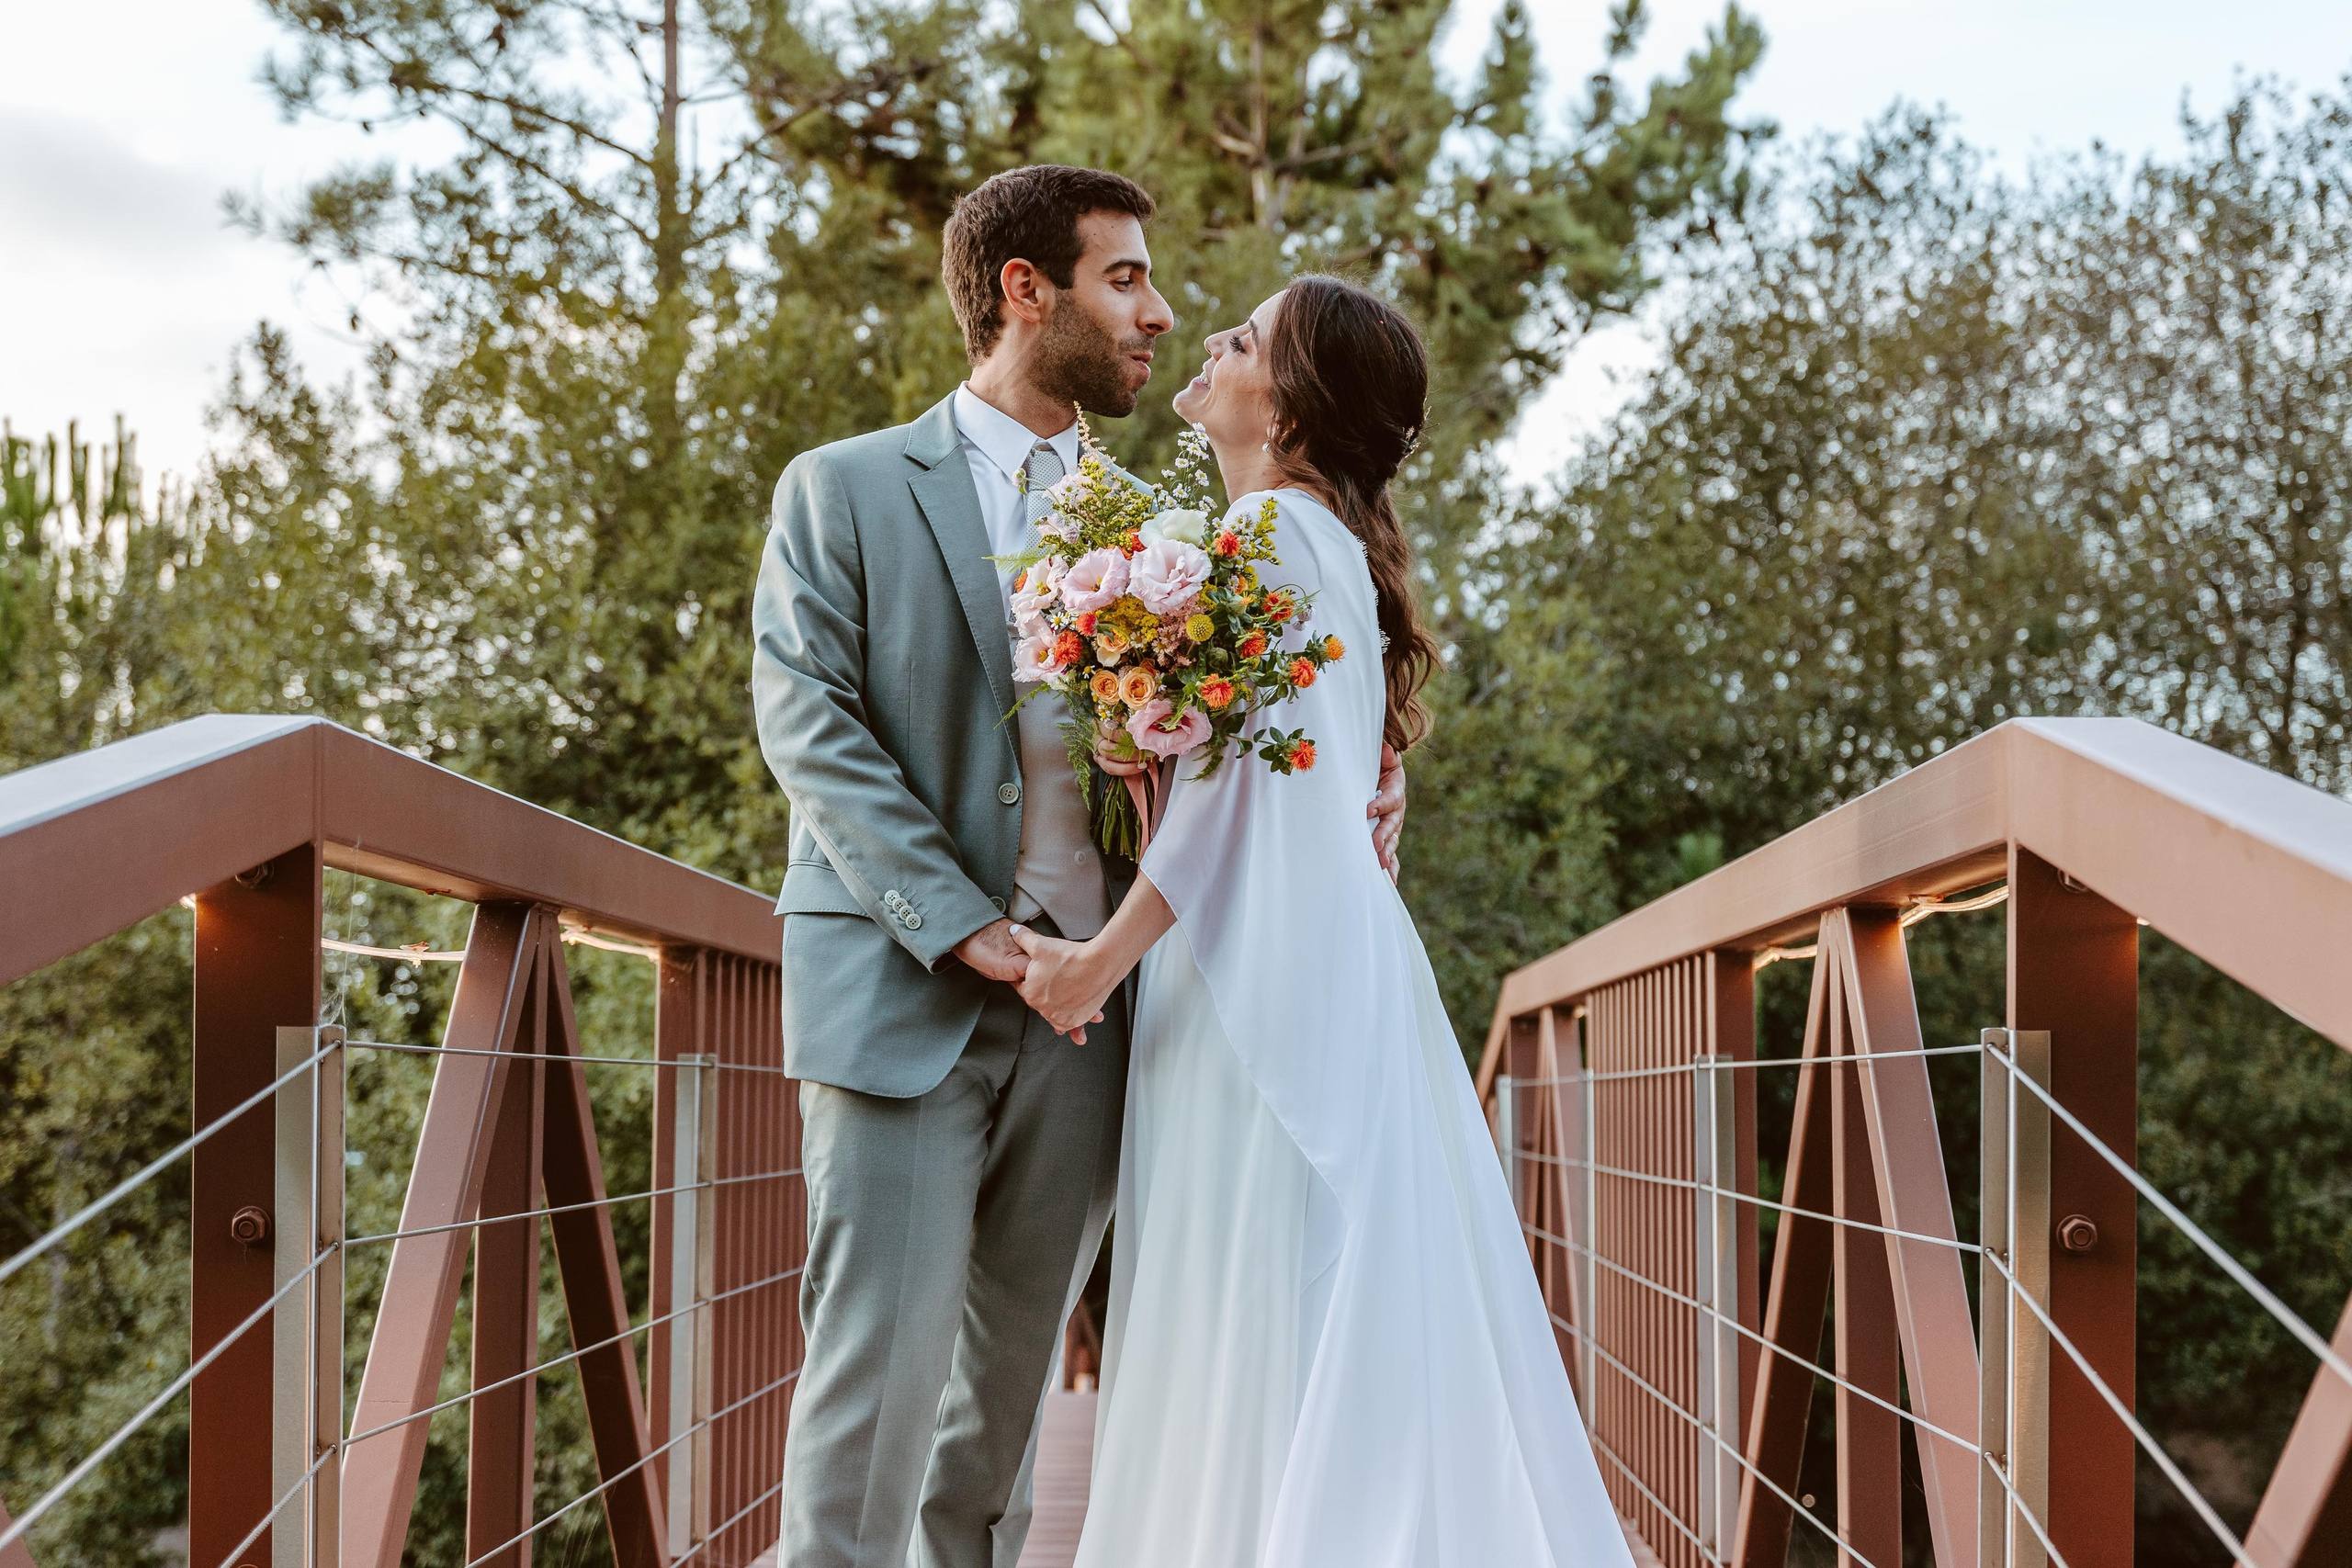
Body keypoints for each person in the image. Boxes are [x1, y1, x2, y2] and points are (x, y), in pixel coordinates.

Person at [752, 169, 1409, 1568]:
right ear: (1023, 292)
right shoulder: (847, 488)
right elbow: (809, 728)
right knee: (872, 1395)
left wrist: (1363, 780)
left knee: (998, 1422)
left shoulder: (1168, 528)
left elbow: (1251, 738)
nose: (1161, 315)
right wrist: (967, 931)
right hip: (906, 989)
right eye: (1126, 280)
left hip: (1098, 1017)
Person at [1011, 276, 1634, 1567]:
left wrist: (1096, 964)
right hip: (1317, 960)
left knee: (1251, 1292)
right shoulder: (1314, 546)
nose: (1218, 337)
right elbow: (1292, 779)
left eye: (1249, 337)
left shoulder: (1269, 544)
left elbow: (1238, 802)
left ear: (1290, 405)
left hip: (1257, 980)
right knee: (1298, 1287)